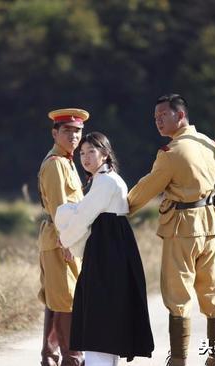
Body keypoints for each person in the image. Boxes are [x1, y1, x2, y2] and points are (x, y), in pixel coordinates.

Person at [127, 94, 215, 366]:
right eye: (155, 117)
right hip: (209, 224)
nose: (157, 121)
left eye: (163, 116)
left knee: (178, 295)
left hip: (181, 227)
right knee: (211, 292)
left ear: (180, 116)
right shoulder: (212, 144)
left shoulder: (172, 153)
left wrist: (122, 208)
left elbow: (146, 188)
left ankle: (178, 359)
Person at [55, 132, 154, 366]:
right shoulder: (106, 179)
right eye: (82, 153)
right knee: (107, 314)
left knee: (99, 313)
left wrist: (66, 238)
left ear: (105, 154)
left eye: (91, 152)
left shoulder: (106, 182)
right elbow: (86, 215)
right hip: (110, 249)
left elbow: (83, 216)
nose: (85, 157)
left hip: (107, 253)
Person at [37, 108, 88, 366]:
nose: (74, 136)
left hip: (63, 239)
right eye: (67, 131)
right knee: (67, 300)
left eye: (78, 131)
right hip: (61, 240)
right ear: (55, 133)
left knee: (59, 299)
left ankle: (52, 358)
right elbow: (60, 208)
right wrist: (68, 241)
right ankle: (72, 359)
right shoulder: (56, 164)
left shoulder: (66, 161)